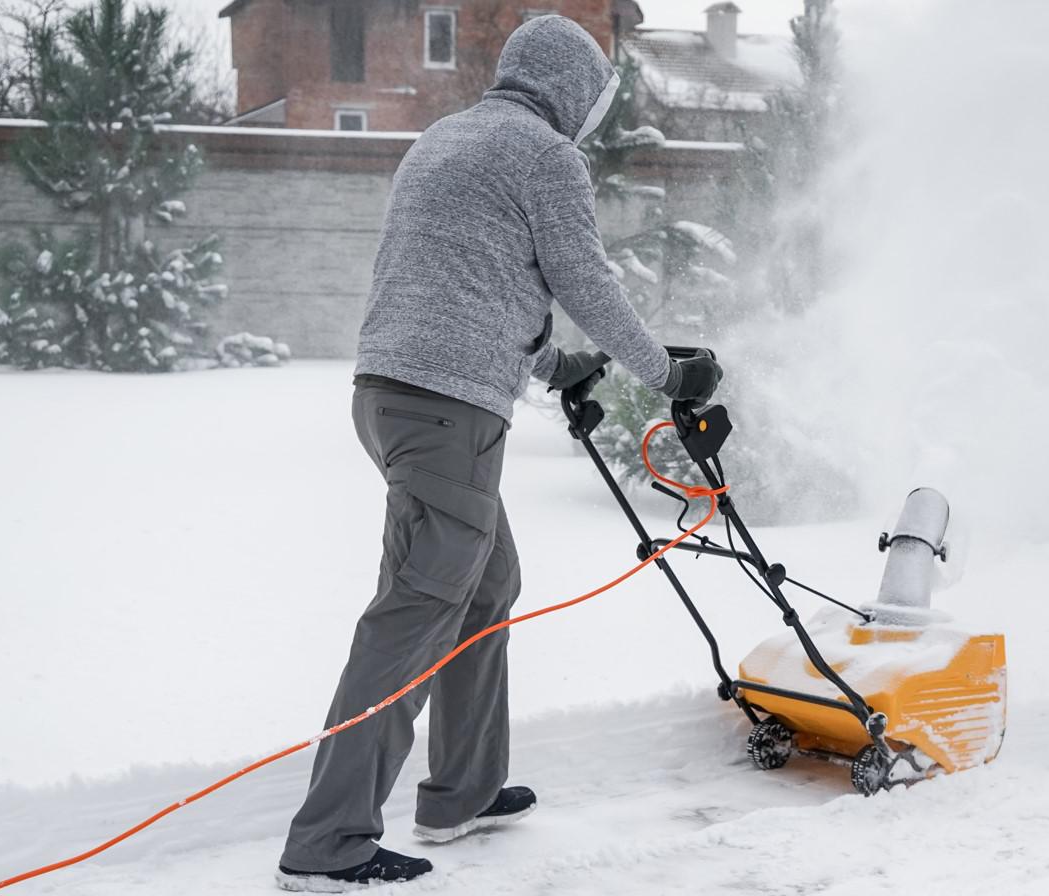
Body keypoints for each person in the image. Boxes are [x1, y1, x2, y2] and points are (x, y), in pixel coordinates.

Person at [275, 15, 722, 892]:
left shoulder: (447, 139)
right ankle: (327, 844)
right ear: (572, 90)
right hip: (446, 411)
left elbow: (467, 284)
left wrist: (558, 365)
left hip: (392, 397)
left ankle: (461, 793)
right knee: (416, 608)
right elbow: (581, 276)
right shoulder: (543, 154)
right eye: (593, 98)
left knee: (485, 580)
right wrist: (664, 372)